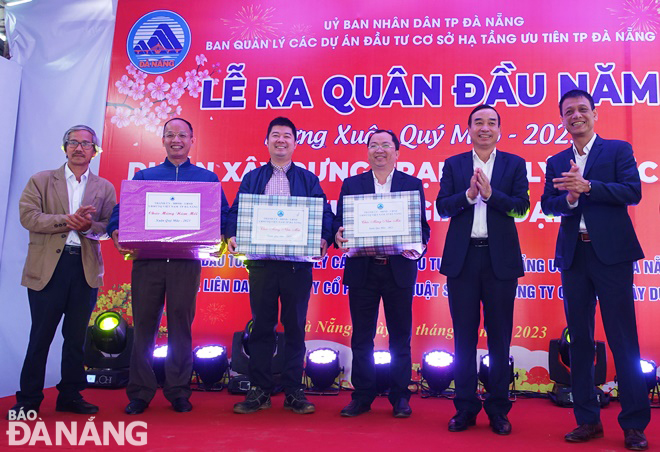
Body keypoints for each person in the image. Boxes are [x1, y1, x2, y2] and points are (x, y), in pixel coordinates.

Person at [541, 89, 650, 451]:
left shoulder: (617, 150)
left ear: (594, 113)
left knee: (623, 339)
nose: (576, 115)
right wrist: (570, 198)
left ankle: (634, 423)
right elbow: (547, 203)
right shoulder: (556, 160)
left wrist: (588, 187)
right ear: (562, 119)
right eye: (568, 111)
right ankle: (587, 419)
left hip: (612, 256)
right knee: (580, 342)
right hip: (574, 258)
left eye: (582, 109)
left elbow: (632, 191)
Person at [107, 117, 229, 415]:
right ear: (162, 140)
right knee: (144, 327)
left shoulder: (207, 179)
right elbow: (120, 213)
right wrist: (115, 231)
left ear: (192, 140)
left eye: (182, 135)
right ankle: (140, 392)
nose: (176, 140)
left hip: (186, 264)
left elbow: (223, 216)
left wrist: (223, 234)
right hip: (147, 262)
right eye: (170, 135)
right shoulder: (145, 176)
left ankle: (178, 390)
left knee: (180, 327)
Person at [226, 117, 333, 415]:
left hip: (297, 267)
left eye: (287, 136)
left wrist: (324, 238)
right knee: (261, 327)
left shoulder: (308, 179)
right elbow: (237, 211)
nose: (281, 140)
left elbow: (323, 212)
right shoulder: (253, 178)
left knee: (296, 327)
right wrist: (232, 234)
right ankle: (259, 389)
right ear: (267, 141)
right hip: (261, 265)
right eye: (276, 135)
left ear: (295, 143)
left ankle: (293, 391)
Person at [9, 125, 116, 418]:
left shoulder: (104, 187)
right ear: (64, 147)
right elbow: (28, 216)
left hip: (84, 269)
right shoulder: (41, 180)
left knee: (75, 337)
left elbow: (107, 227)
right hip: (48, 269)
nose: (79, 148)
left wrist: (89, 227)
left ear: (95, 151)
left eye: (86, 144)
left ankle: (70, 395)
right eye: (73, 143)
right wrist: (67, 221)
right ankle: (28, 400)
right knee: (40, 336)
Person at [436, 105, 529, 435]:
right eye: (479, 122)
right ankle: (464, 407)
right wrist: (469, 194)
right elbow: (442, 206)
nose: (485, 128)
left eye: (491, 123)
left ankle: (499, 408)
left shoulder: (514, 164)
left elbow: (522, 207)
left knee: (500, 336)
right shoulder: (455, 164)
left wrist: (492, 195)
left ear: (499, 129)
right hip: (463, 260)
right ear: (469, 128)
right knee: (463, 336)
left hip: (499, 259)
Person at [333, 129, 430, 418]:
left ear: (397, 153)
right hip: (363, 271)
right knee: (362, 337)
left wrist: (419, 245)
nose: (379, 150)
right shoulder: (352, 184)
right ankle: (362, 395)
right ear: (367, 152)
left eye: (386, 145)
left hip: (397, 270)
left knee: (400, 337)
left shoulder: (412, 184)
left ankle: (401, 396)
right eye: (373, 145)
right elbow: (340, 225)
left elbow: (422, 227)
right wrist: (338, 236)